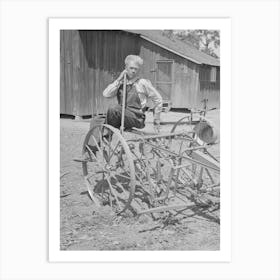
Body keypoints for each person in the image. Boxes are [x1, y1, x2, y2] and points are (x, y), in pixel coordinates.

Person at [103, 54, 163, 132]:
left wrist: (156, 119)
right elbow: (106, 94)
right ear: (125, 68)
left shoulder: (142, 83)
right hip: (122, 115)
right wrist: (118, 79)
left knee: (113, 109)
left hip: (137, 118)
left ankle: (108, 134)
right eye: (131, 68)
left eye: (136, 69)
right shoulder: (121, 83)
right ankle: (101, 140)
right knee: (98, 120)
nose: (133, 71)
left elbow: (158, 99)